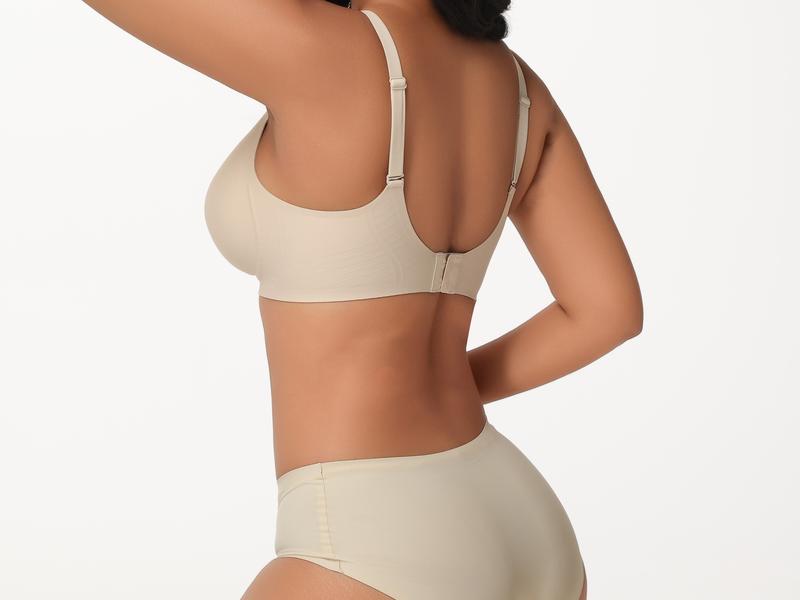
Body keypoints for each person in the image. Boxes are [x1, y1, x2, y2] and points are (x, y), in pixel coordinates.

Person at [81, 1, 643, 598]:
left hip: (370, 534)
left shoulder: (322, 50)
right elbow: (606, 312)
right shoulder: (522, 92)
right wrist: (433, 386)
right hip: (523, 522)